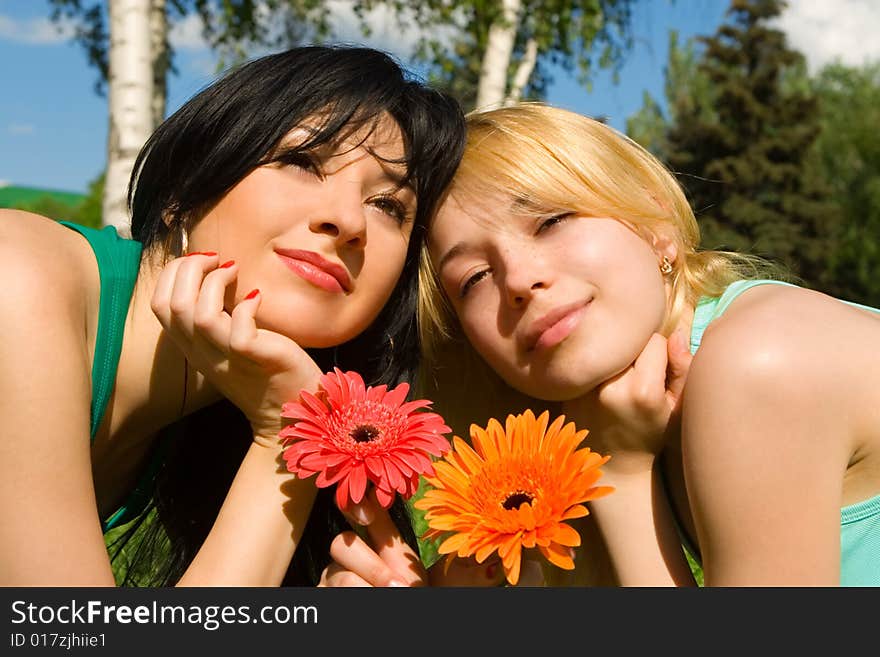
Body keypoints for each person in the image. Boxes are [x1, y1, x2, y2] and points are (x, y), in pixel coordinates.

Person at [323, 102, 880, 587]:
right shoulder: (610, 412)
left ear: (654, 219)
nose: (518, 279)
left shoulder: (759, 363)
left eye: (552, 221)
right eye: (473, 278)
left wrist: (621, 476)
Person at [0, 44, 465, 586]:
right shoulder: (18, 282)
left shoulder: (213, 414)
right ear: (183, 189)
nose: (346, 220)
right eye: (301, 161)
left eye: (388, 206)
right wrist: (287, 434)